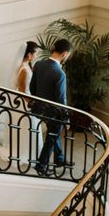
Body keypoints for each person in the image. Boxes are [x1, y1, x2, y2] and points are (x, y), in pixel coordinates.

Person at [29, 38, 73, 176]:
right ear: (65, 54)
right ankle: (41, 166)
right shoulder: (60, 74)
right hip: (54, 113)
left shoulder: (39, 64)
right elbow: (61, 100)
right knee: (52, 137)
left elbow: (32, 88)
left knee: (53, 134)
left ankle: (59, 159)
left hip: (39, 109)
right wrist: (66, 119)